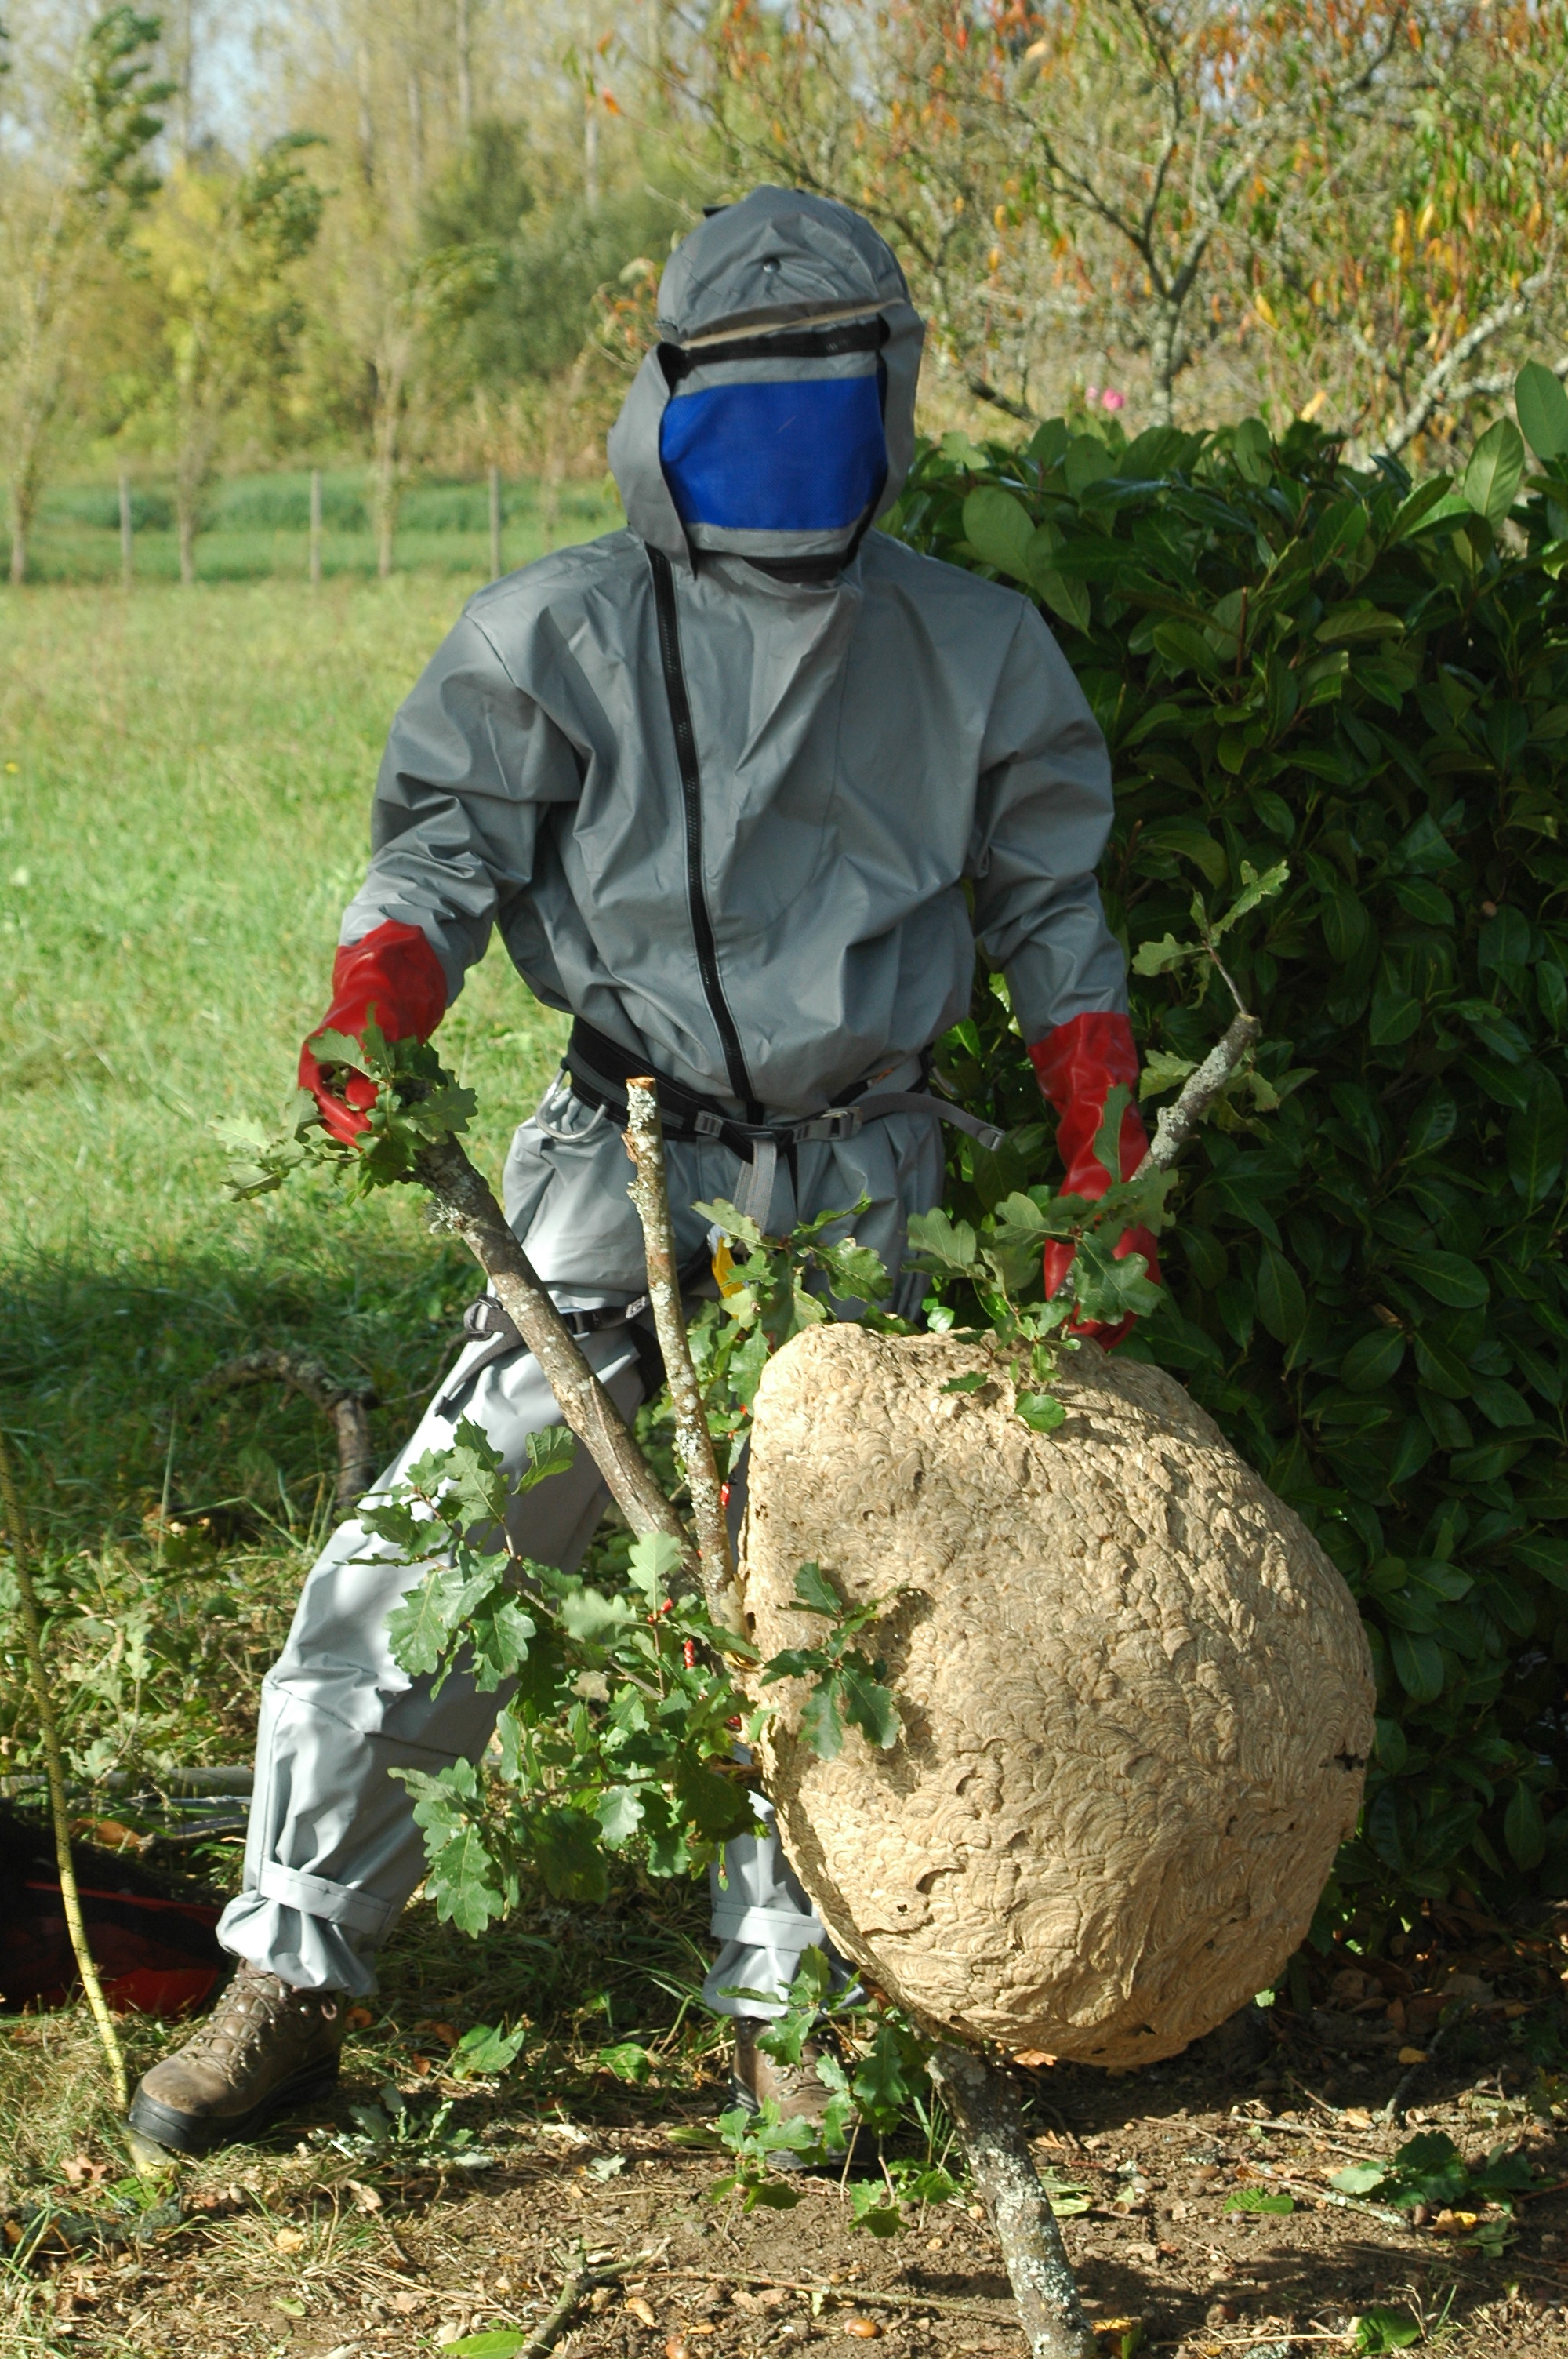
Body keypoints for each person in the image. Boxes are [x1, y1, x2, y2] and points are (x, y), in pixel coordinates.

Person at [128, 185, 1156, 2157]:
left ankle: (791, 2011)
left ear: (890, 396)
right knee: (436, 1551)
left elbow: (1053, 910)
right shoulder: (556, 633)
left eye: (822, 396)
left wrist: (1098, 1153)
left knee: (835, 1605)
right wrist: (379, 994)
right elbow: (442, 844)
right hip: (625, 1163)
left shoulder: (974, 649)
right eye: (746, 398)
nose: (786, 441)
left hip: (863, 1187)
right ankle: (293, 1970)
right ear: (665, 397)